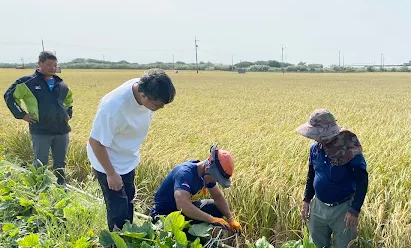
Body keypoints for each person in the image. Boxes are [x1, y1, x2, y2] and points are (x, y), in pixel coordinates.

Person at [87, 68, 176, 231]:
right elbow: (95, 142)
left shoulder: (145, 86)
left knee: (128, 199)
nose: (159, 108)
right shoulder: (114, 107)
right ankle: (115, 246)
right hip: (107, 160)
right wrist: (111, 174)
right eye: (157, 105)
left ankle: (127, 235)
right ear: (143, 95)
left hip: (127, 158)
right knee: (117, 206)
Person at [296, 109, 369, 248]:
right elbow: (311, 174)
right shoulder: (315, 149)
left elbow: (362, 180)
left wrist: (355, 209)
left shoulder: (348, 152)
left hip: (343, 209)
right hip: (319, 206)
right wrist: (307, 200)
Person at [3, 51, 73, 185]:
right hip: (41, 130)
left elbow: (69, 100)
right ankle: (38, 191)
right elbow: (9, 96)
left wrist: (68, 114)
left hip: (62, 130)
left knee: (60, 163)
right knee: (40, 163)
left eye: (55, 65)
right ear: (39, 64)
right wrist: (22, 115)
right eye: (49, 64)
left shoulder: (61, 84)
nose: (52, 68)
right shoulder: (27, 82)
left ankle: (61, 189)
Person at [150, 144, 242, 233]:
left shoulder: (206, 176)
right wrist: (211, 219)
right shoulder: (185, 173)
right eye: (215, 178)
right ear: (207, 168)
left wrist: (230, 218)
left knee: (215, 207)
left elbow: (218, 197)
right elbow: (182, 205)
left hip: (184, 212)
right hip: (165, 214)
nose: (215, 181)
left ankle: (205, 234)